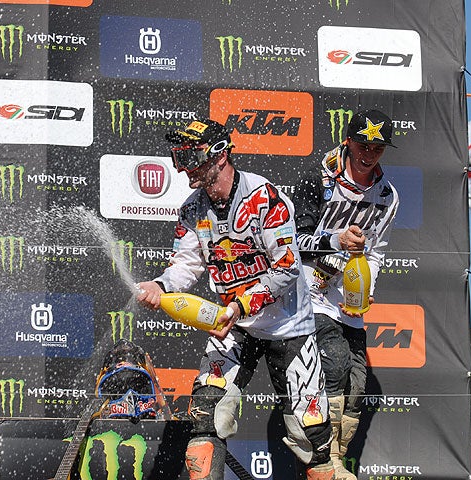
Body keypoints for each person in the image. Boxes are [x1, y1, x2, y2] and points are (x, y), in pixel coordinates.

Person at [136, 119, 336, 480]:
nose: (183, 168)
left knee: (311, 433)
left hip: (288, 326)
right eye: (178, 157)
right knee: (205, 414)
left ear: (220, 155)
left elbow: (288, 269)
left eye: (191, 157)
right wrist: (160, 286)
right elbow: (185, 264)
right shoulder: (192, 209)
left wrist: (239, 305)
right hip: (234, 326)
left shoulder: (265, 197)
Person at [292, 109, 399, 479]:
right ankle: (327, 461)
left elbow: (377, 251)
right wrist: (336, 241)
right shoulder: (318, 179)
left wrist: (365, 286)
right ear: (348, 142)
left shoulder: (388, 195)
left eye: (378, 148)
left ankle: (336, 457)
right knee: (333, 364)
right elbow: (294, 242)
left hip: (348, 295)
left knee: (357, 384)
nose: (369, 154)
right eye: (363, 145)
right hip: (310, 290)